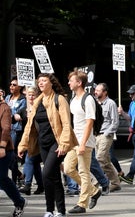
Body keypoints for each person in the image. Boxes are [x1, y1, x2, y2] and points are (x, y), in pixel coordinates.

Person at [18, 73, 78, 217]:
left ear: (51, 83)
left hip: (57, 143)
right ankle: (53, 210)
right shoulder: (37, 102)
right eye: (39, 81)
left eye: (44, 80)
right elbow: (29, 127)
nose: (41, 83)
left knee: (46, 174)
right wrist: (22, 145)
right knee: (54, 176)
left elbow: (66, 123)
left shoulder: (60, 99)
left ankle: (55, 209)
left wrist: (64, 143)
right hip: (42, 143)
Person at [64, 71, 103, 214]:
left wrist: (82, 144)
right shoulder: (73, 99)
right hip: (75, 141)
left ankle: (82, 204)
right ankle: (94, 191)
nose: (69, 83)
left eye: (71, 80)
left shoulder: (88, 99)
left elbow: (89, 123)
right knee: (67, 168)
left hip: (85, 142)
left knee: (84, 172)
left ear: (79, 83)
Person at [0, 86, 26, 217]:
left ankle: (19, 201)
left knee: (2, 178)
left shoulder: (4, 108)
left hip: (4, 150)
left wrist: (2, 147)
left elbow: (5, 129)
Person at [94, 83, 121, 192]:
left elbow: (115, 122)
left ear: (105, 92)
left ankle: (101, 182)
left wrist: (107, 133)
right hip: (96, 135)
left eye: (98, 90)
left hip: (105, 134)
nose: (95, 92)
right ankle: (115, 182)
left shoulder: (110, 103)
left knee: (100, 158)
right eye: (95, 90)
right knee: (104, 160)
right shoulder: (95, 103)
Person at [19, 86, 43, 196]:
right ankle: (40, 185)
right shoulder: (25, 109)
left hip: (41, 138)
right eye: (29, 95)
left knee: (30, 160)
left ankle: (28, 185)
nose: (31, 97)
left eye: (33, 95)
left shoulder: (40, 106)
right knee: (34, 162)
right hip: (31, 140)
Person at [5, 78, 26, 188]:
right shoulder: (8, 97)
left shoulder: (23, 100)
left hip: (16, 130)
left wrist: (10, 112)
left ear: (20, 87)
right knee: (6, 157)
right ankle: (19, 175)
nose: (11, 86)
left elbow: (19, 114)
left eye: (14, 85)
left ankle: (13, 181)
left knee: (12, 157)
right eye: (10, 84)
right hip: (6, 129)